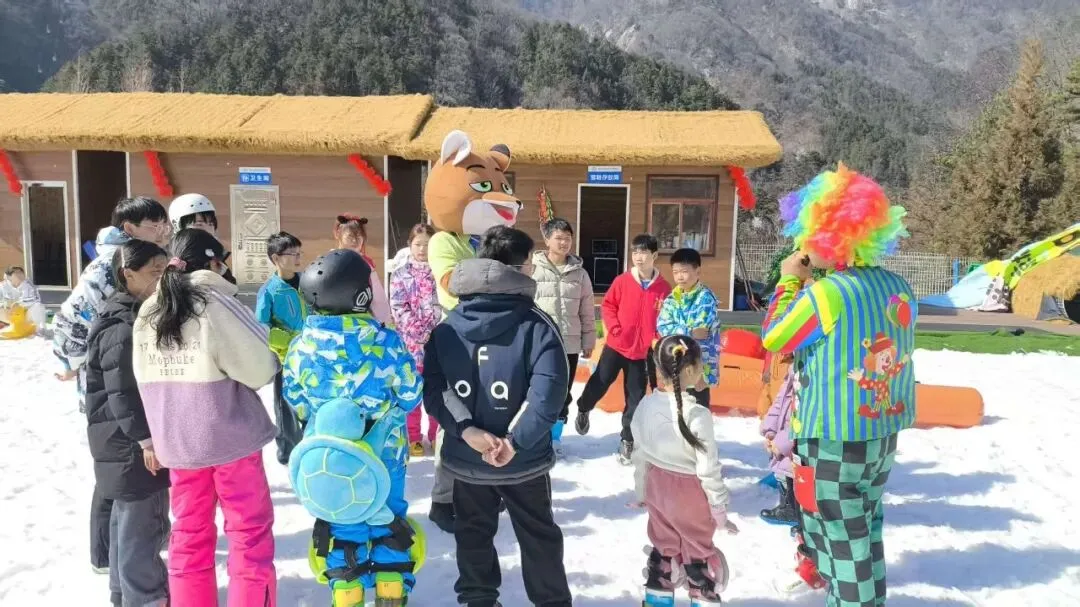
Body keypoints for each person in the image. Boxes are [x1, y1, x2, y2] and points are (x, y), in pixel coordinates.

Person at [762, 163, 916, 606]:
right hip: (881, 430)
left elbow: (775, 337)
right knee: (865, 525)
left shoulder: (828, 294)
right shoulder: (898, 287)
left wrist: (789, 281)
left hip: (832, 435)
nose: (804, 245)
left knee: (838, 534)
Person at [423, 226, 572, 607]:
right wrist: (514, 442)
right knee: (538, 535)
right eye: (530, 262)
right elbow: (548, 393)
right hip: (523, 462)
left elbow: (437, 390)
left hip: (468, 458)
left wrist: (466, 431)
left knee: (473, 533)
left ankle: (478, 599)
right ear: (518, 268)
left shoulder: (447, 326)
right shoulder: (537, 324)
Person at [132, 228, 279, 606]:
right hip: (229, 439)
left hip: (178, 443)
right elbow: (260, 366)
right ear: (213, 262)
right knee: (249, 534)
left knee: (188, 536)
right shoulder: (213, 301)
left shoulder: (149, 309)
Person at [283, 248, 424, 607]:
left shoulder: (300, 347)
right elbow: (410, 396)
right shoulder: (386, 342)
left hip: (329, 459)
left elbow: (296, 400)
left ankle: (348, 595)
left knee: (343, 526)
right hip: (385, 457)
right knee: (389, 523)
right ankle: (391, 594)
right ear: (362, 296)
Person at [52, 195, 170, 574]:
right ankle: (106, 555)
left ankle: (123, 554)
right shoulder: (109, 266)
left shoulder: (146, 261)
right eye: (154, 225)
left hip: (126, 377)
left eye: (164, 224)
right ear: (129, 229)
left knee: (123, 472)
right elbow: (69, 320)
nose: (163, 231)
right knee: (116, 470)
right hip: (110, 381)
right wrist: (71, 362)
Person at [423, 129, 522, 533]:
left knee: (488, 411)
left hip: (486, 335)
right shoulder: (443, 241)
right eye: (482, 186)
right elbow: (453, 284)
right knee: (456, 417)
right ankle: (443, 498)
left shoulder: (477, 241)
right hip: (456, 336)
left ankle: (482, 485)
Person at [84, 239, 170, 607]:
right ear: (127, 274)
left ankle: (124, 594)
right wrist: (147, 440)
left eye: (165, 270)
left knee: (127, 522)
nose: (162, 278)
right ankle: (147, 598)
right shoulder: (123, 326)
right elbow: (123, 392)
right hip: (130, 445)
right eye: (154, 271)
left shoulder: (126, 314)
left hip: (116, 441)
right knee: (144, 525)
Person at [632, 335, 737, 607]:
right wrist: (718, 508)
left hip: (657, 488)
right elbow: (708, 468)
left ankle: (657, 594)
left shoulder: (645, 406)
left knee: (664, 551)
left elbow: (639, 454)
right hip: (690, 496)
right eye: (702, 364)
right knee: (697, 555)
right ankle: (701, 588)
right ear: (690, 370)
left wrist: (641, 491)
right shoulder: (698, 415)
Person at [574, 233, 671, 465]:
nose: (638, 257)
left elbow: (666, 318)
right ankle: (584, 408)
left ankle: (627, 438)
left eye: (644, 252)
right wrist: (615, 328)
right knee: (600, 381)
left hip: (642, 352)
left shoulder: (664, 288)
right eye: (635, 252)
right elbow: (608, 305)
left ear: (655, 255)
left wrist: (657, 338)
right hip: (616, 346)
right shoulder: (623, 281)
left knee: (636, 397)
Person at [529, 218, 595, 457]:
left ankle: (555, 439)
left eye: (568, 238)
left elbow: (587, 310)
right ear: (547, 240)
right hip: (539, 344)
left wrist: (588, 340)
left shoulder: (580, 274)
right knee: (538, 391)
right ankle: (535, 436)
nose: (564, 243)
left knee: (563, 393)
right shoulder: (532, 269)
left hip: (569, 344)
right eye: (558, 238)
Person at [389, 223, 443, 457]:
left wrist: (435, 330)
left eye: (427, 245)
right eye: (418, 244)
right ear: (409, 245)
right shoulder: (400, 274)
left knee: (437, 390)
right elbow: (398, 306)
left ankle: (436, 434)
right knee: (411, 391)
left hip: (438, 343)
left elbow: (445, 304)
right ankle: (413, 437)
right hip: (410, 345)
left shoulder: (440, 273)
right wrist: (420, 332)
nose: (422, 249)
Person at [254, 231, 307, 465]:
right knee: (286, 407)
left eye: (299, 253)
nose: (298, 258)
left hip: (311, 353)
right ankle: (287, 451)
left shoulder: (307, 282)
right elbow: (261, 326)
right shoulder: (269, 290)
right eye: (292, 254)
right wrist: (286, 339)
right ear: (276, 258)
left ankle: (310, 445)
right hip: (286, 358)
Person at [656, 248, 721, 408]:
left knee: (697, 413)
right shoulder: (672, 299)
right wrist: (688, 331)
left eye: (684, 271)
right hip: (675, 369)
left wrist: (704, 374)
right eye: (675, 272)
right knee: (675, 412)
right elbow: (663, 326)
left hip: (699, 370)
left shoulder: (705, 299)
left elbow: (701, 335)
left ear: (697, 271)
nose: (680, 276)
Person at [334, 214, 393, 325]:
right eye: (350, 236)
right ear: (338, 234)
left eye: (359, 237)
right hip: (333, 321)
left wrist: (385, 322)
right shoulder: (328, 261)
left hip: (362, 322)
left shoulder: (366, 265)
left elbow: (378, 298)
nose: (354, 240)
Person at [167, 193, 238, 284]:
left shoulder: (215, 254)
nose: (207, 230)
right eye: (199, 224)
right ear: (177, 225)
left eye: (210, 224)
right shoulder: (170, 258)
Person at [1, 266, 47, 331]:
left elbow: (34, 300)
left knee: (38, 307)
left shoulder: (27, 285)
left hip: (25, 316)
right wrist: (4, 304)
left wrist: (19, 303)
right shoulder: (4, 286)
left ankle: (39, 329)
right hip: (11, 316)